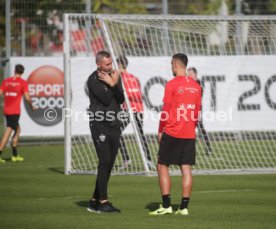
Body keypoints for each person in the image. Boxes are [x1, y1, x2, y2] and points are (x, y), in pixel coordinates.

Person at [149, 53, 202, 216]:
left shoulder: (171, 84)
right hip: (188, 133)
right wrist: (191, 129)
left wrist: (160, 131)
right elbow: (197, 112)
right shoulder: (196, 86)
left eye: (171, 64)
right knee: (186, 168)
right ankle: (184, 207)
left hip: (172, 131)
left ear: (176, 65)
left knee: (162, 165)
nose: (171, 67)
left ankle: (166, 205)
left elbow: (165, 111)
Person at [86, 51, 125, 213]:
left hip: (114, 124)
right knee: (104, 161)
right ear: (99, 65)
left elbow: (121, 99)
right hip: (99, 123)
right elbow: (106, 99)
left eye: (111, 63)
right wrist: (112, 83)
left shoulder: (115, 76)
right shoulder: (93, 79)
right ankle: (103, 202)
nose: (110, 67)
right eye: (107, 64)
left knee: (109, 163)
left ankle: (94, 200)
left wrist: (114, 83)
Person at [115, 56, 155, 170]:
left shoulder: (119, 78)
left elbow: (123, 95)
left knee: (115, 132)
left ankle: (127, 159)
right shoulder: (134, 78)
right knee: (140, 134)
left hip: (129, 109)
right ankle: (148, 160)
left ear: (119, 65)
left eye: (116, 64)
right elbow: (140, 95)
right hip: (138, 109)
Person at [0, 64, 34, 163]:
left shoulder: (6, 81)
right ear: (22, 72)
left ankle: (15, 155)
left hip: (6, 110)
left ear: (14, 70)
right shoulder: (23, 83)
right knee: (8, 132)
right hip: (14, 112)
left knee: (18, 130)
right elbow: (27, 98)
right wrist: (31, 105)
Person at [188, 67, 212, 155]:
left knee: (200, 128)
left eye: (190, 74)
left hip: (196, 108)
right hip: (189, 108)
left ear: (195, 74)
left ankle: (208, 148)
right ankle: (192, 149)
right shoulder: (187, 83)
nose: (189, 75)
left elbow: (197, 94)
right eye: (188, 74)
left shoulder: (199, 82)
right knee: (189, 129)